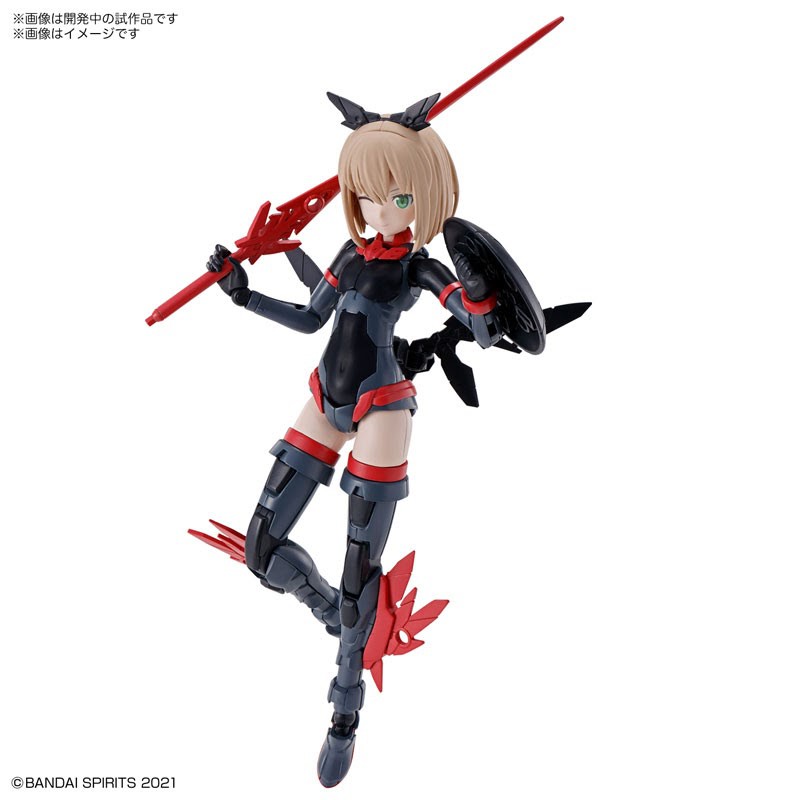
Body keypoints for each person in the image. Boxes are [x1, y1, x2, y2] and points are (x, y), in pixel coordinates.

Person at [206, 93, 502, 787]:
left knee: (355, 577)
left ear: (422, 197)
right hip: (325, 395)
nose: (376, 208)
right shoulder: (350, 250)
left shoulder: (420, 267)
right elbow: (312, 319)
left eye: (394, 196)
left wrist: (480, 296)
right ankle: (343, 624)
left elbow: (480, 328)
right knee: (261, 548)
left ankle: (344, 713)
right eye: (364, 193)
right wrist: (242, 294)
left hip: (382, 406)